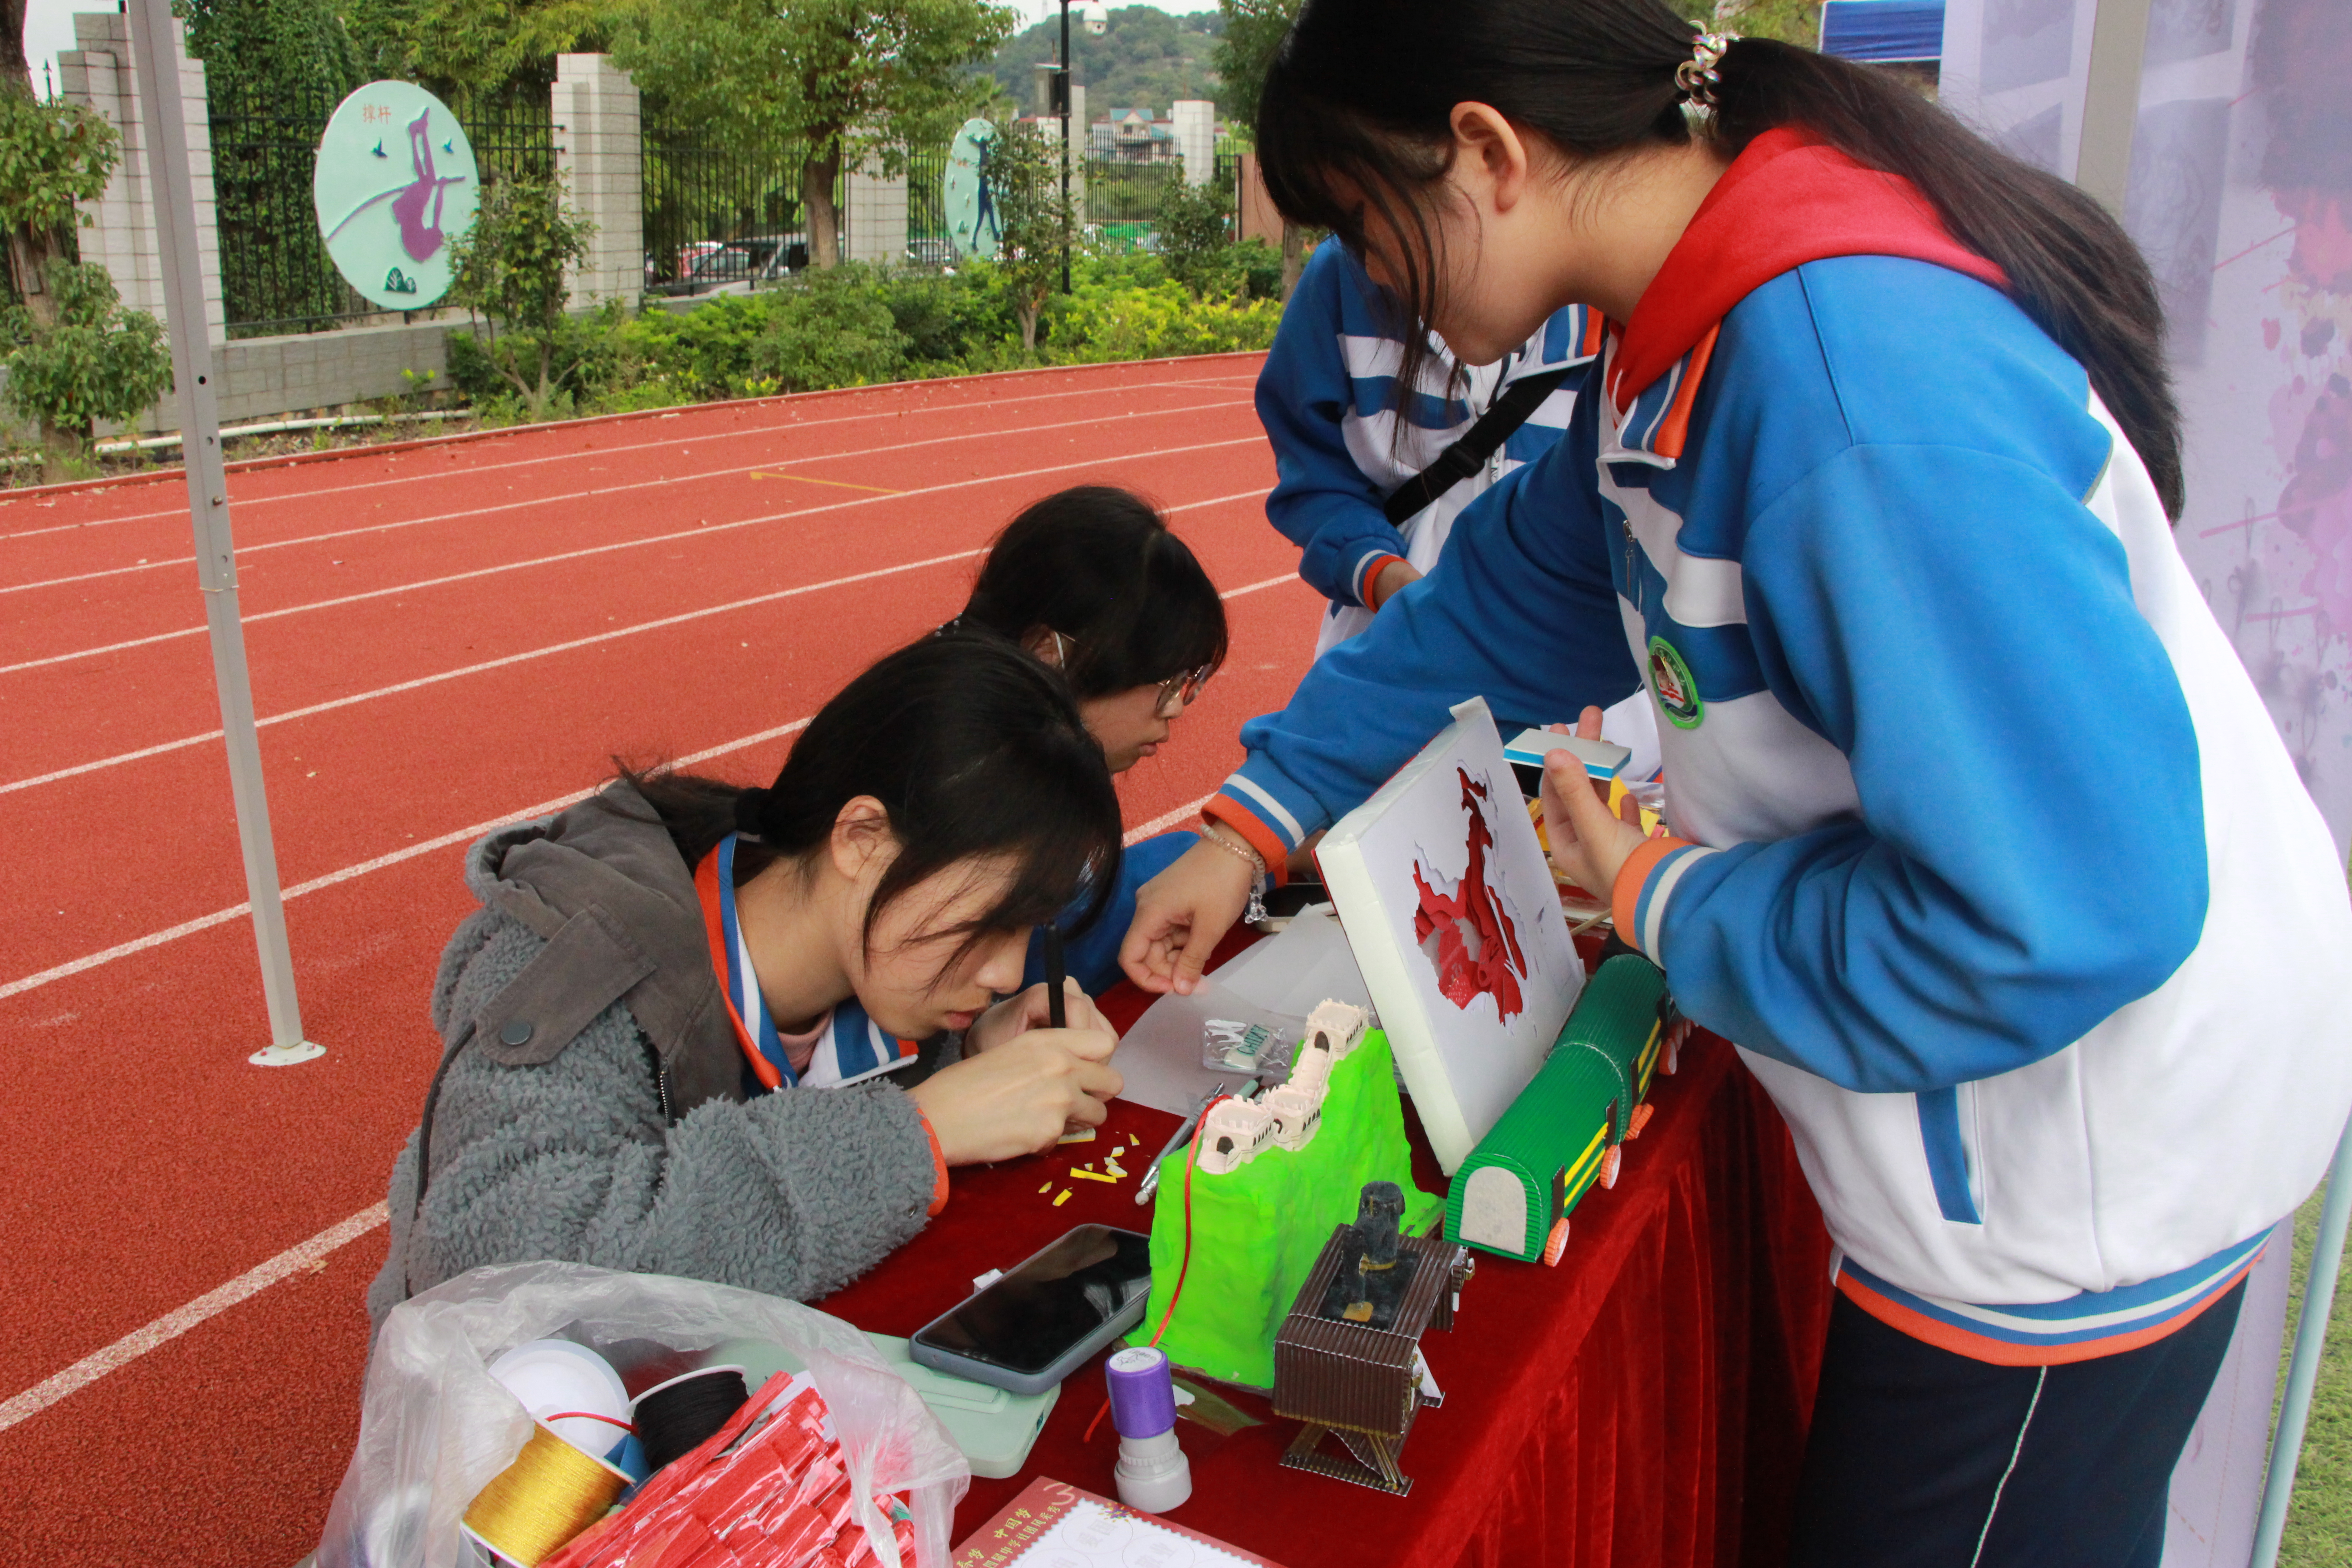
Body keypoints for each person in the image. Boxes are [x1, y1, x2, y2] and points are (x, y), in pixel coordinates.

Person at [1118, 5, 2352, 1564]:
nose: (1369, 286)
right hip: (2024, 1143)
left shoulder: (1843, 379)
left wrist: (1659, 893)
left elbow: (2059, 912)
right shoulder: (1684, 329)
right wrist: (1257, 816)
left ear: (1487, 154)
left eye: (1366, 225)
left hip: (2072, 1177)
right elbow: (1503, 601)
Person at [368, 633, 1127, 1328]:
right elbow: (493, 1265)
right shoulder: (578, 958)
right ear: (860, 839)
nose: (1003, 970)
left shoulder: (861, 959)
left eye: (1030, 928)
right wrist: (914, 1136)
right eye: (989, 920)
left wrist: (971, 1064)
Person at [1258, 241, 1599, 656]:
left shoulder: (1615, 287)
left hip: (1581, 656)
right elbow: (1313, 471)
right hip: (1395, 641)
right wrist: (1380, 574)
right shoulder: (1347, 268)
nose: (1372, 261)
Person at [954, 485, 1230, 992]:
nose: (1175, 709)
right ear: (1049, 653)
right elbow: (1067, 938)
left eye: (1190, 681)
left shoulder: (968, 718)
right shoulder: (975, 797)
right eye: (1165, 682)